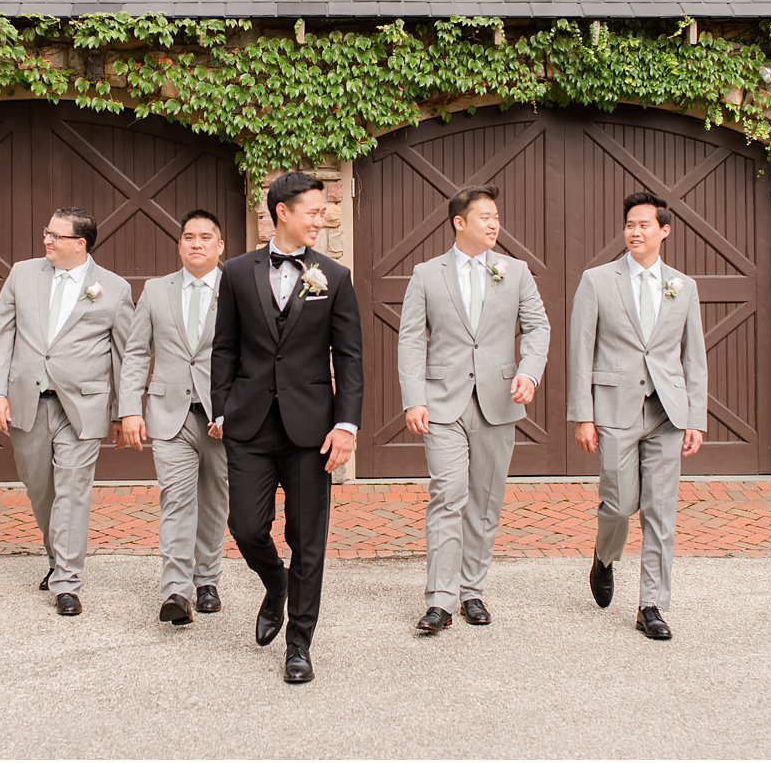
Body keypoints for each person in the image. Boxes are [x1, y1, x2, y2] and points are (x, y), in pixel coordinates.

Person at [211, 171, 364, 684]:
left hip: (311, 428)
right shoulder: (235, 272)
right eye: (313, 212)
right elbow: (225, 348)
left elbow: (349, 356)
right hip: (249, 423)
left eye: (323, 212)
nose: (321, 219)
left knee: (308, 539)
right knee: (246, 528)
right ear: (283, 212)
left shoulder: (334, 277)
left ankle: (299, 644)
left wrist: (346, 424)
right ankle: (275, 585)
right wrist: (221, 408)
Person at [397, 185, 550, 634]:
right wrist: (414, 397)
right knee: (448, 494)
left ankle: (473, 591)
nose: (494, 223)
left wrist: (530, 372)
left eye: (496, 216)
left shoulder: (515, 271)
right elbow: (410, 339)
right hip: (443, 403)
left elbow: (537, 327)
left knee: (484, 500)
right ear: (459, 223)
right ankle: (440, 601)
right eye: (484, 216)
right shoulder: (426, 274)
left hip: (500, 400)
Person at [568, 190, 707, 640]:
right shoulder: (596, 281)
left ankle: (652, 606)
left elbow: (694, 359)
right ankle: (604, 556)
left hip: (667, 411)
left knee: (661, 511)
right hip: (614, 409)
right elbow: (580, 351)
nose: (635, 231)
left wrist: (696, 417)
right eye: (630, 224)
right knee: (619, 502)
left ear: (663, 231)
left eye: (644, 225)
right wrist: (582, 415)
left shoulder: (684, 287)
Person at [0, 206, 134, 616]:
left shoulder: (114, 288)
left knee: (72, 491)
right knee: (40, 489)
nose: (46, 240)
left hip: (82, 407)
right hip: (28, 401)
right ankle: (55, 558)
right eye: (46, 232)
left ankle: (67, 580)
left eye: (55, 235)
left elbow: (126, 356)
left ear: (79, 244)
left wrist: (124, 412)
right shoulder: (22, 274)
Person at [117, 209, 229, 626]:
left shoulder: (236, 289)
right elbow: (135, 351)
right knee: (176, 500)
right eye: (188, 237)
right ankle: (176, 591)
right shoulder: (155, 290)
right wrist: (130, 407)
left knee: (214, 500)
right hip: (169, 414)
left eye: (205, 237)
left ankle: (207, 581)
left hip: (222, 417)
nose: (196, 244)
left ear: (220, 246)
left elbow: (252, 356)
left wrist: (235, 409)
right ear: (179, 245)